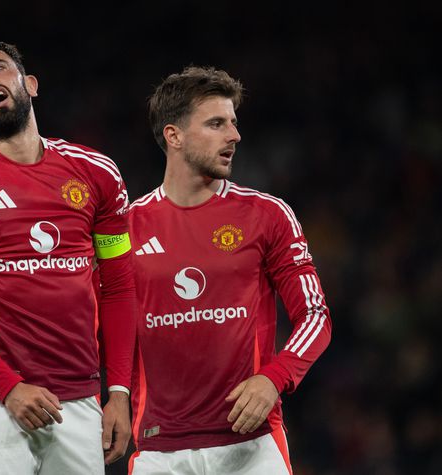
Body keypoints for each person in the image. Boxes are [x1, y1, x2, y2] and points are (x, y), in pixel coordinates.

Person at [0, 30, 136, 475]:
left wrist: (120, 393)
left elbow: (119, 286)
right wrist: (9, 387)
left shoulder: (98, 174)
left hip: (82, 403)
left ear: (30, 83)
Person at [126, 66, 332, 474]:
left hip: (251, 448)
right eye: (217, 123)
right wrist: (113, 398)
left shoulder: (268, 215)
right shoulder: (124, 228)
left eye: (233, 124)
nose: (234, 135)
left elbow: (315, 316)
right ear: (174, 136)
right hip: (158, 450)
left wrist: (275, 377)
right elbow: (101, 326)